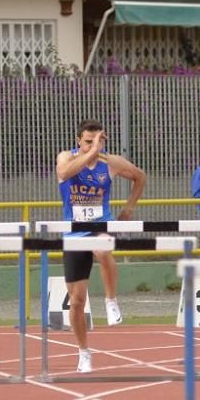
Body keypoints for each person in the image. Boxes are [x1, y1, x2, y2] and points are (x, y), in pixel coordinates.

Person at [56, 119, 146, 373]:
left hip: (100, 223)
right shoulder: (66, 157)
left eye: (100, 140)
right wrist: (91, 153)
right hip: (73, 230)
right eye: (89, 141)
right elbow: (63, 174)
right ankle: (84, 351)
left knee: (102, 249)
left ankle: (110, 299)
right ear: (79, 141)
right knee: (76, 301)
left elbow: (140, 177)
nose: (95, 145)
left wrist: (128, 208)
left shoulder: (111, 163)